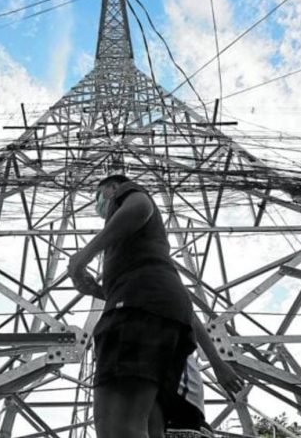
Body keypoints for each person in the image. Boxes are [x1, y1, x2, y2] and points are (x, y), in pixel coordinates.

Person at [68, 175, 242, 438]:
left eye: (98, 196)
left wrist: (84, 255)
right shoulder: (141, 255)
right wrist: (216, 363)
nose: (98, 205)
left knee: (117, 427)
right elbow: (182, 305)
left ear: (112, 189)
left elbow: (139, 206)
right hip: (161, 315)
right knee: (149, 426)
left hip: (137, 315)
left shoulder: (126, 195)